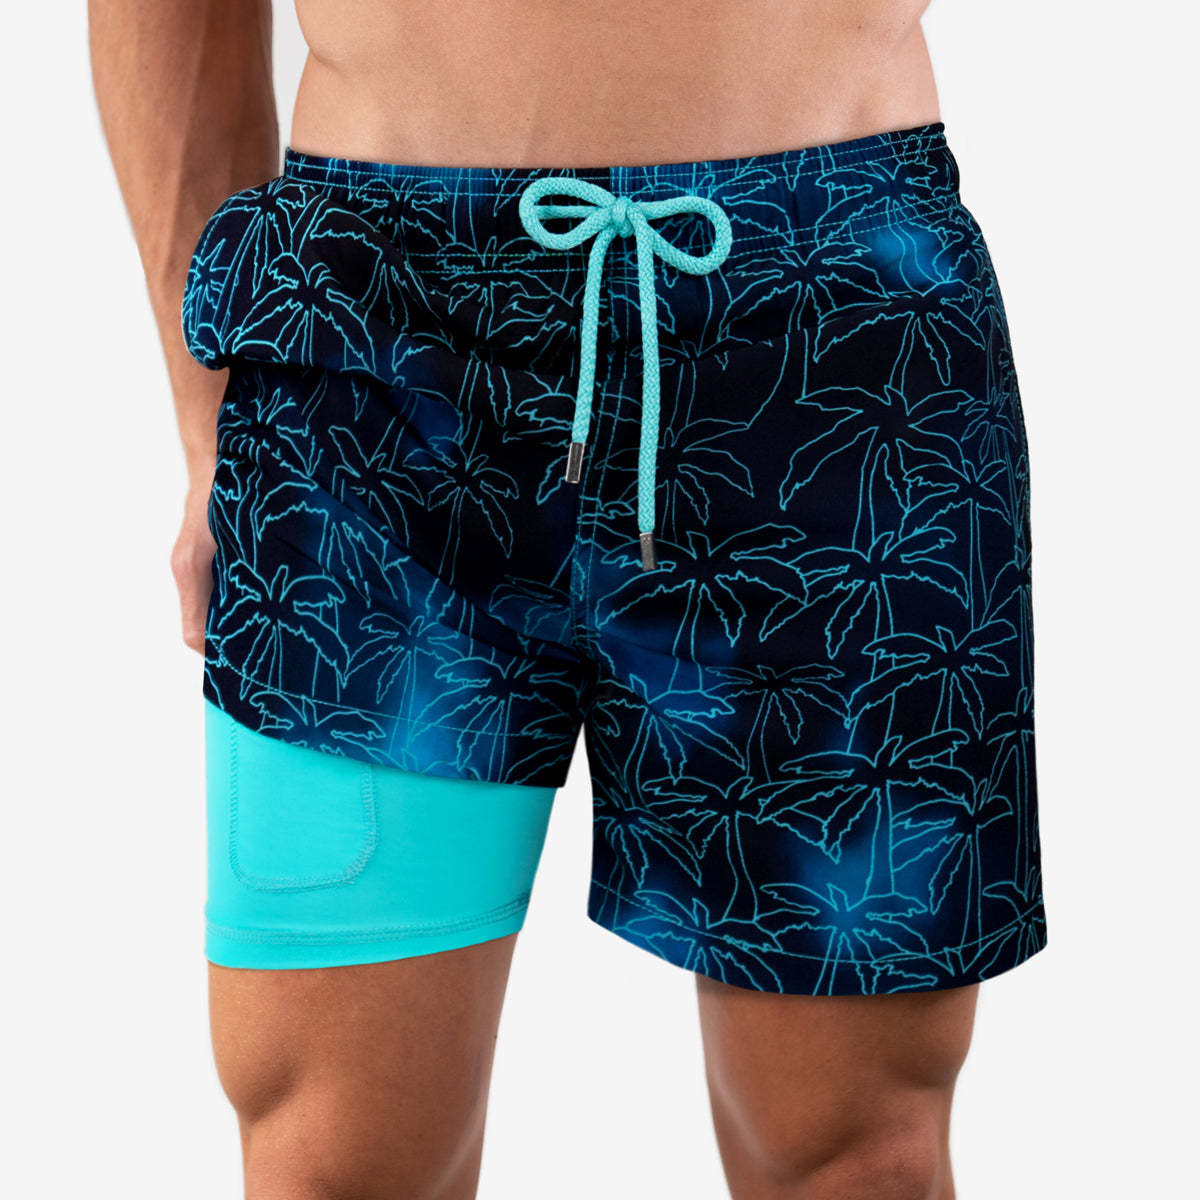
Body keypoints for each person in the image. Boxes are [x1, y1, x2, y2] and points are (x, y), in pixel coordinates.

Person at [90, 1, 1046, 1195]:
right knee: (333, 1160)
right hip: (369, 358)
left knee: (854, 1155)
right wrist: (207, 428)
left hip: (839, 347)